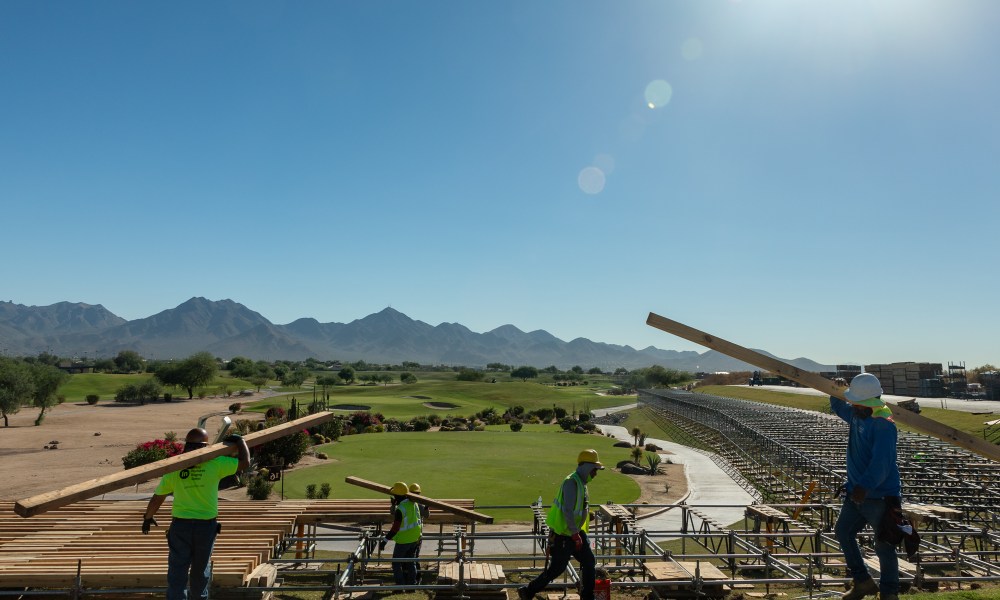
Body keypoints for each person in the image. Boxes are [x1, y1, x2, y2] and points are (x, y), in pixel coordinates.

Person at [142, 427, 250, 600]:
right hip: (205, 527)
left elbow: (158, 497)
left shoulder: (175, 468)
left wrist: (148, 517)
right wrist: (241, 442)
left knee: (178, 569)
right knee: (200, 569)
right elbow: (245, 463)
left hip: (181, 526)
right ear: (205, 446)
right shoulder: (216, 463)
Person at [830, 373, 901, 600]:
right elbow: (839, 408)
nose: (851, 405)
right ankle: (863, 582)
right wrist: (836, 390)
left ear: (868, 403)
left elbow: (882, 463)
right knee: (843, 532)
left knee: (884, 545)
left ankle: (889, 594)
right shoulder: (858, 416)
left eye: (854, 401)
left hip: (879, 497)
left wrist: (865, 486)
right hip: (856, 493)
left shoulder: (882, 425)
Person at [519, 449, 604, 600]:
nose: (595, 474)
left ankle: (587, 596)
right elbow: (567, 511)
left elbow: (580, 508)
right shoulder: (571, 482)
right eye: (594, 470)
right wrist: (574, 534)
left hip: (575, 533)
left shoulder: (582, 483)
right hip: (564, 536)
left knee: (589, 561)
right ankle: (528, 590)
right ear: (586, 467)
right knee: (556, 569)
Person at [380, 481, 423, 586]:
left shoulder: (400, 509)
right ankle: (412, 584)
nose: (394, 496)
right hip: (415, 538)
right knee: (411, 561)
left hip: (404, 541)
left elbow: (395, 529)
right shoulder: (414, 503)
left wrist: (384, 541)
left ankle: (400, 585)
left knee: (396, 563)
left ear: (398, 496)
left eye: (395, 495)